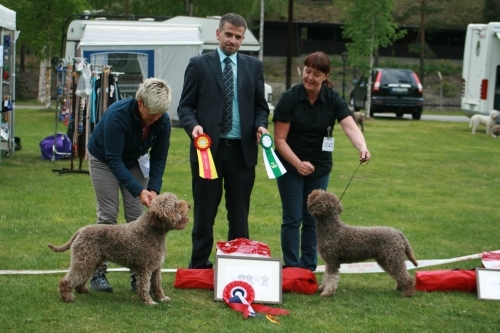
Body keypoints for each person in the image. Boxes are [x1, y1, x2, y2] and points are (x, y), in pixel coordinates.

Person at [178, 13, 270, 269]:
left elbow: (261, 107)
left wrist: (261, 126)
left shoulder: (254, 67)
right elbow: (185, 107)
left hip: (242, 153)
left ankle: (237, 264)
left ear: (243, 39)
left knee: (239, 214)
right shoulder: (198, 64)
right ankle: (198, 264)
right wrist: (193, 126)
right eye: (228, 34)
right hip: (208, 152)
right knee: (205, 213)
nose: (233, 40)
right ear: (218, 34)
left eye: (238, 36)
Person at [273, 51, 371, 271]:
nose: (310, 77)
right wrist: (297, 163)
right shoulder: (290, 98)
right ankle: (291, 267)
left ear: (325, 76)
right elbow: (279, 139)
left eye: (316, 74)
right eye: (307, 71)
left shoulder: (332, 98)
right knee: (292, 218)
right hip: (290, 165)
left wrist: (362, 146)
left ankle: (308, 267)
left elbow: (350, 126)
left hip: (320, 167)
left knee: (313, 218)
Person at [87, 77, 172, 291]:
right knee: (108, 215)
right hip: (104, 160)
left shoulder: (162, 120)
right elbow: (113, 160)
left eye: (161, 113)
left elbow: (160, 157)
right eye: (153, 113)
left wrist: (152, 189)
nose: (157, 117)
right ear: (141, 102)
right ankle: (97, 273)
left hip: (135, 160)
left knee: (139, 218)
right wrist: (138, 190)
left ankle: (139, 274)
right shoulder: (118, 116)